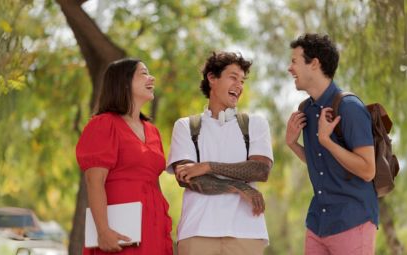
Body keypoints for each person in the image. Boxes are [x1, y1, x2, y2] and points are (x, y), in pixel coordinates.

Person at [167, 51, 274, 255]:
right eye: (233, 77)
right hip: (197, 232)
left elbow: (260, 170)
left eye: (242, 81)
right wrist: (240, 188)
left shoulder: (255, 124)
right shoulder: (186, 126)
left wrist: (208, 166)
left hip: (247, 233)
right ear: (212, 78)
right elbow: (186, 179)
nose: (239, 86)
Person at [284, 34, 379, 255]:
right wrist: (293, 144)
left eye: (295, 61)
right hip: (318, 223)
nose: (290, 68)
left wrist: (326, 141)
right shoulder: (305, 109)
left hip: (353, 220)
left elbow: (367, 170)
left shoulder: (349, 107)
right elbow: (321, 163)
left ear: (314, 63)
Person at [76, 58, 173, 254]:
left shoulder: (153, 131)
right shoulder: (103, 124)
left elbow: (154, 181)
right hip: (118, 228)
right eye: (144, 73)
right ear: (123, 82)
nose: (151, 78)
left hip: (152, 223)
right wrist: (103, 231)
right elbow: (94, 180)